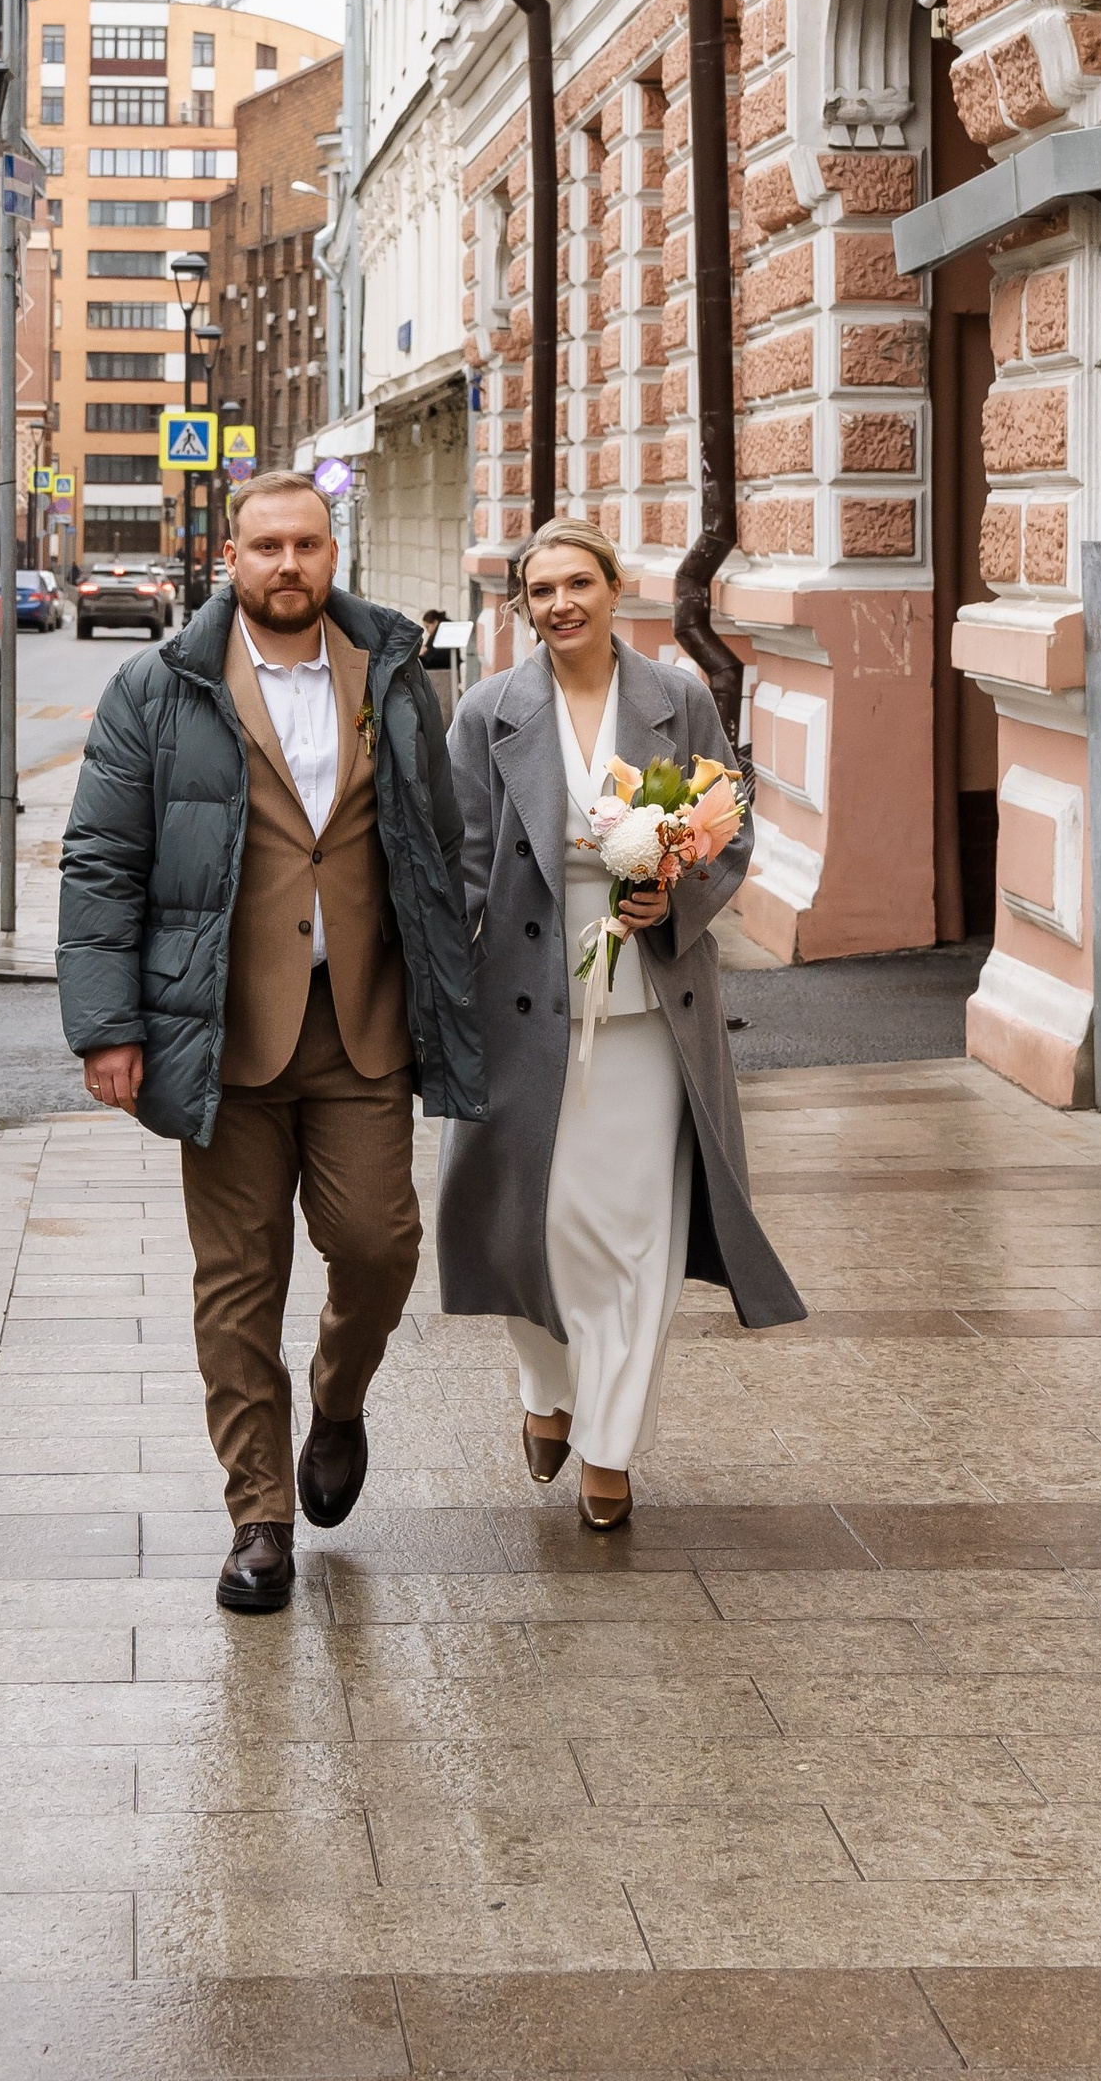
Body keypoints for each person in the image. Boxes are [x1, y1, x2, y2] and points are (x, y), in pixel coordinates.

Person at [57, 468, 484, 1617]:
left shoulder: (391, 677)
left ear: (332, 552)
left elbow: (436, 850)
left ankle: (337, 1405)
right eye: (265, 547)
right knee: (238, 1284)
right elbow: (103, 861)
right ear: (228, 560)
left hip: (361, 1025)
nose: (286, 565)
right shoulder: (156, 687)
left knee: (380, 1243)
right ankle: (259, 1516)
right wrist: (108, 1027)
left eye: (306, 544)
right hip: (223, 1032)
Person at [436, 518, 804, 1529]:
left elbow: (728, 825)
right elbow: (462, 861)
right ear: (524, 605)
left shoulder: (674, 699)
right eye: (540, 589)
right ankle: (546, 1387)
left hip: (649, 995)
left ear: (612, 587)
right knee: (530, 1223)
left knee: (636, 1232)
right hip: (519, 996)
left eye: (577, 583)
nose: (560, 603)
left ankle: (609, 1446)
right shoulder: (488, 710)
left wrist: (673, 898)